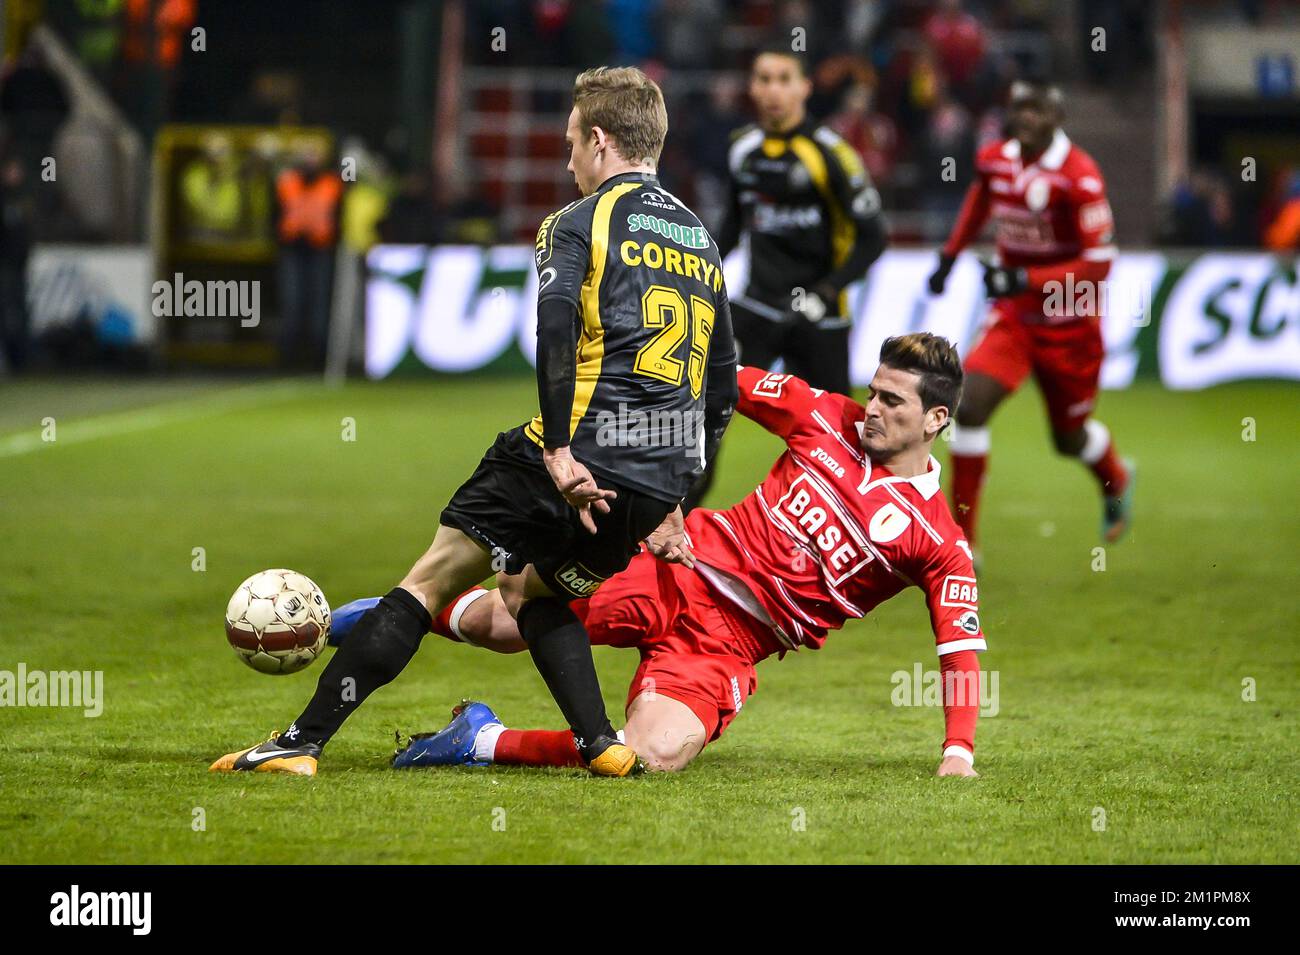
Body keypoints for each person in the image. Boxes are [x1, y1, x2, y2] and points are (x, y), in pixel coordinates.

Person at [210, 66, 738, 778]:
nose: (567, 160)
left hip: (580, 452)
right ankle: (602, 745)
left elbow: (554, 336)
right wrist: (676, 496)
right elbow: (722, 381)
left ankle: (300, 743)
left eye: (572, 143)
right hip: (653, 480)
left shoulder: (577, 222)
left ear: (602, 140)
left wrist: (558, 449)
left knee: (427, 582)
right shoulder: (700, 239)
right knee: (530, 589)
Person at [336, 334, 985, 778]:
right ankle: (387, 613)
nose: (870, 409)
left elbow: (958, 649)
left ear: (934, 420)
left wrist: (959, 748)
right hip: (676, 568)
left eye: (891, 401)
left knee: (653, 753)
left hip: (728, 645)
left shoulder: (937, 539)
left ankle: (477, 739)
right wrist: (665, 490)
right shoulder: (819, 413)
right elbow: (705, 380)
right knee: (501, 621)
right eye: (871, 391)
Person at [928, 81, 1134, 555]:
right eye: (1019, 107)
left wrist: (1025, 279)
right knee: (970, 406)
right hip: (1015, 318)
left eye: (1037, 110)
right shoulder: (995, 158)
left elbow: (1099, 263)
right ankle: (964, 543)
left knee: (1068, 439)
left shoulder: (1079, 176)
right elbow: (980, 198)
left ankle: (1116, 477)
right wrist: (949, 255)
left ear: (1057, 117)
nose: (1026, 118)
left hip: (1069, 321)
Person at [685, 43, 887, 511]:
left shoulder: (832, 153)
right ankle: (671, 531)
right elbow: (732, 228)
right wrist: (697, 272)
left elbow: (873, 238)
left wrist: (828, 290)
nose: (773, 90)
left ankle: (849, 538)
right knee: (703, 416)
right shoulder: (743, 149)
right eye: (763, 79)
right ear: (752, 88)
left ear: (804, 88)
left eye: (783, 79)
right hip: (756, 306)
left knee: (836, 441)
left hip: (818, 313)